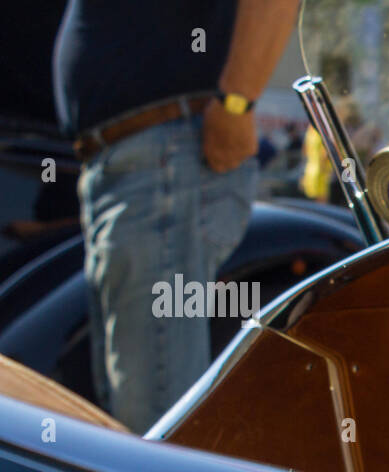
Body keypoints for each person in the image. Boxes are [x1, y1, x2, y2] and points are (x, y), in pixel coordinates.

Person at [54, 0, 300, 433]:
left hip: (165, 163)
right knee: (135, 429)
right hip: (138, 166)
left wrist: (236, 104)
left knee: (156, 433)